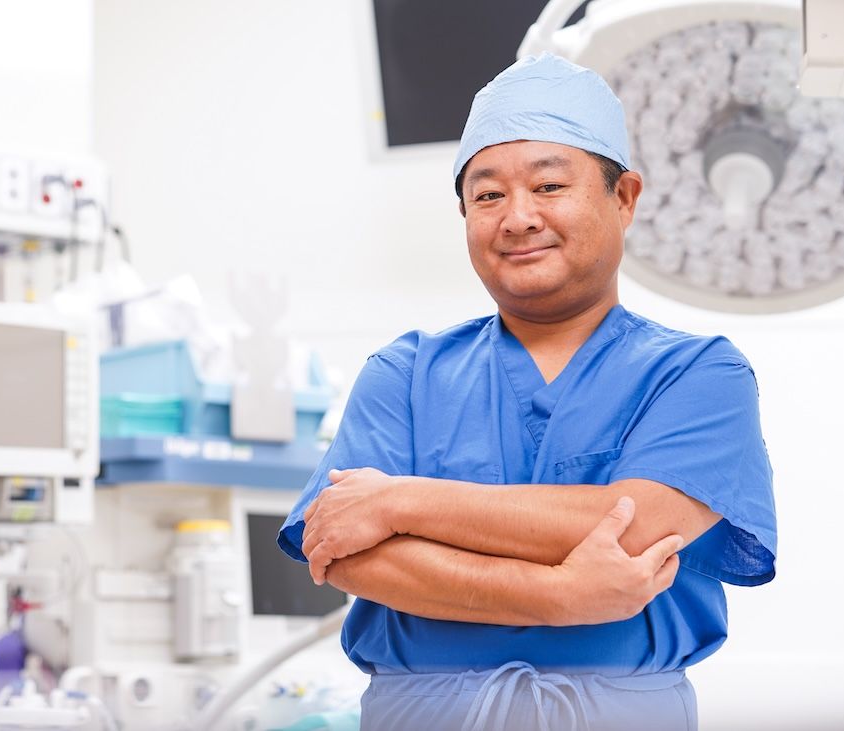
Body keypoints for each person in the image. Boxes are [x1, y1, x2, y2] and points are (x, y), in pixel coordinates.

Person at [277, 53, 777, 731]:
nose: (516, 217)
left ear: (623, 197)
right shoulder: (404, 372)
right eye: (487, 196)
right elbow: (345, 550)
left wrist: (399, 500)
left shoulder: (697, 373)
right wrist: (562, 594)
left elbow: (634, 525)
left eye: (548, 186)